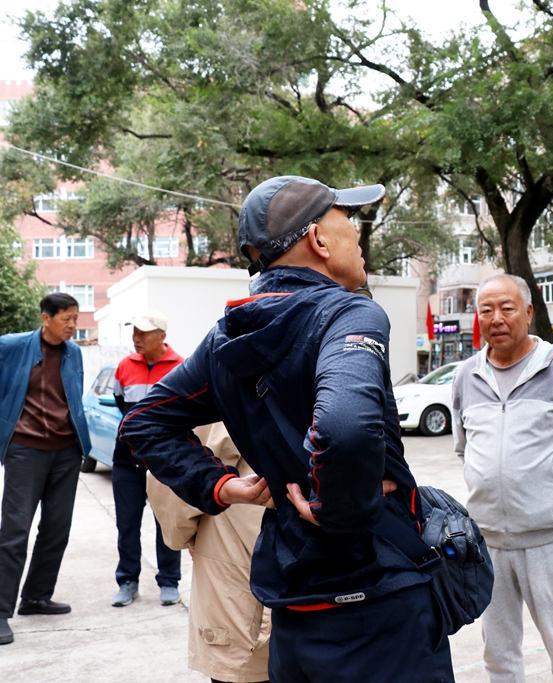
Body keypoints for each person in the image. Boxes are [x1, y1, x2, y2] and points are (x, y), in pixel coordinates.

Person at [119, 175, 454, 683]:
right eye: (346, 219)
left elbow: (144, 422)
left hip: (292, 596)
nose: (357, 233)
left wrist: (225, 488)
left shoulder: (225, 338)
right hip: (378, 596)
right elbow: (344, 427)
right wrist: (339, 510)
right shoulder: (350, 313)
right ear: (318, 239)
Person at [452, 274, 553, 683]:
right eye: (486, 310)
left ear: (529, 312)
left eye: (507, 308)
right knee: (498, 655)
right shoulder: (466, 376)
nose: (496, 318)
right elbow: (464, 449)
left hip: (548, 542)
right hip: (488, 543)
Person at [0, 293, 92, 645]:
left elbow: (73, 397)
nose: (73, 325)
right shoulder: (13, 346)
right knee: (14, 531)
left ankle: (36, 596)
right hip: (25, 450)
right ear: (45, 318)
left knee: (56, 529)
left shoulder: (74, 352)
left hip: (66, 451)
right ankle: (0, 611)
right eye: (66, 318)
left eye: (75, 318)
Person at [147, 422, 270, 683]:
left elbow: (173, 475)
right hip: (311, 566)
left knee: (245, 667)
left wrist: (188, 538)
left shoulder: (226, 397)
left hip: (240, 557)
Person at [110, 309, 184, 607]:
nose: (135, 337)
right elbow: (121, 404)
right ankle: (127, 581)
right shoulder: (124, 366)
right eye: (134, 331)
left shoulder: (181, 367)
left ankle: (169, 581)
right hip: (126, 461)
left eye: (142, 333)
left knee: (166, 522)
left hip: (165, 462)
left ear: (162, 336)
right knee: (127, 525)